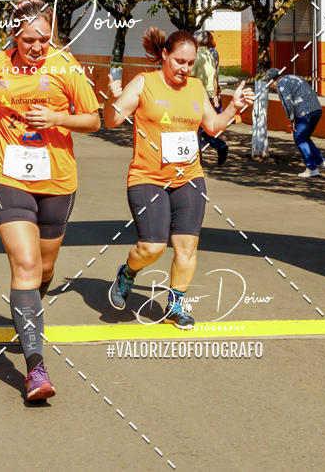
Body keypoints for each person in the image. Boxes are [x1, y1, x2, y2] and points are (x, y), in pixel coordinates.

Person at [0, 0, 100, 400]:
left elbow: (93, 120)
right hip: (5, 175)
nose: (38, 47)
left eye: (44, 38)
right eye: (29, 40)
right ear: (13, 35)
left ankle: (28, 313)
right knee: (25, 265)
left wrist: (57, 117)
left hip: (57, 180)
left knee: (44, 268)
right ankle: (35, 369)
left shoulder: (66, 67)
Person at [103, 27, 253, 329]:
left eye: (190, 63)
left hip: (189, 177)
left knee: (187, 247)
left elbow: (213, 126)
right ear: (164, 55)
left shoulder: (195, 87)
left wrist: (233, 108)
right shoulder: (144, 83)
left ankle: (175, 306)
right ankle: (127, 273)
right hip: (148, 177)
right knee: (153, 247)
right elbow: (112, 120)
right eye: (179, 61)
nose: (185, 69)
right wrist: (111, 100)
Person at [264, 69, 325, 178]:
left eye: (269, 83)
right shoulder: (294, 77)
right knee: (305, 137)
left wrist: (291, 119)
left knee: (299, 139)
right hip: (316, 110)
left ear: (272, 80)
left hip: (304, 113)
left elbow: (287, 103)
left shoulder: (281, 85)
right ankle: (320, 162)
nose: (270, 86)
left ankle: (312, 168)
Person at [192, 32, 228, 165]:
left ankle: (199, 157)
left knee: (194, 127)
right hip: (209, 95)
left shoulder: (195, 56)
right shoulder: (210, 55)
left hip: (196, 95)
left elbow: (190, 77)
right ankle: (218, 145)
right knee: (204, 126)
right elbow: (214, 77)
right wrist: (215, 95)